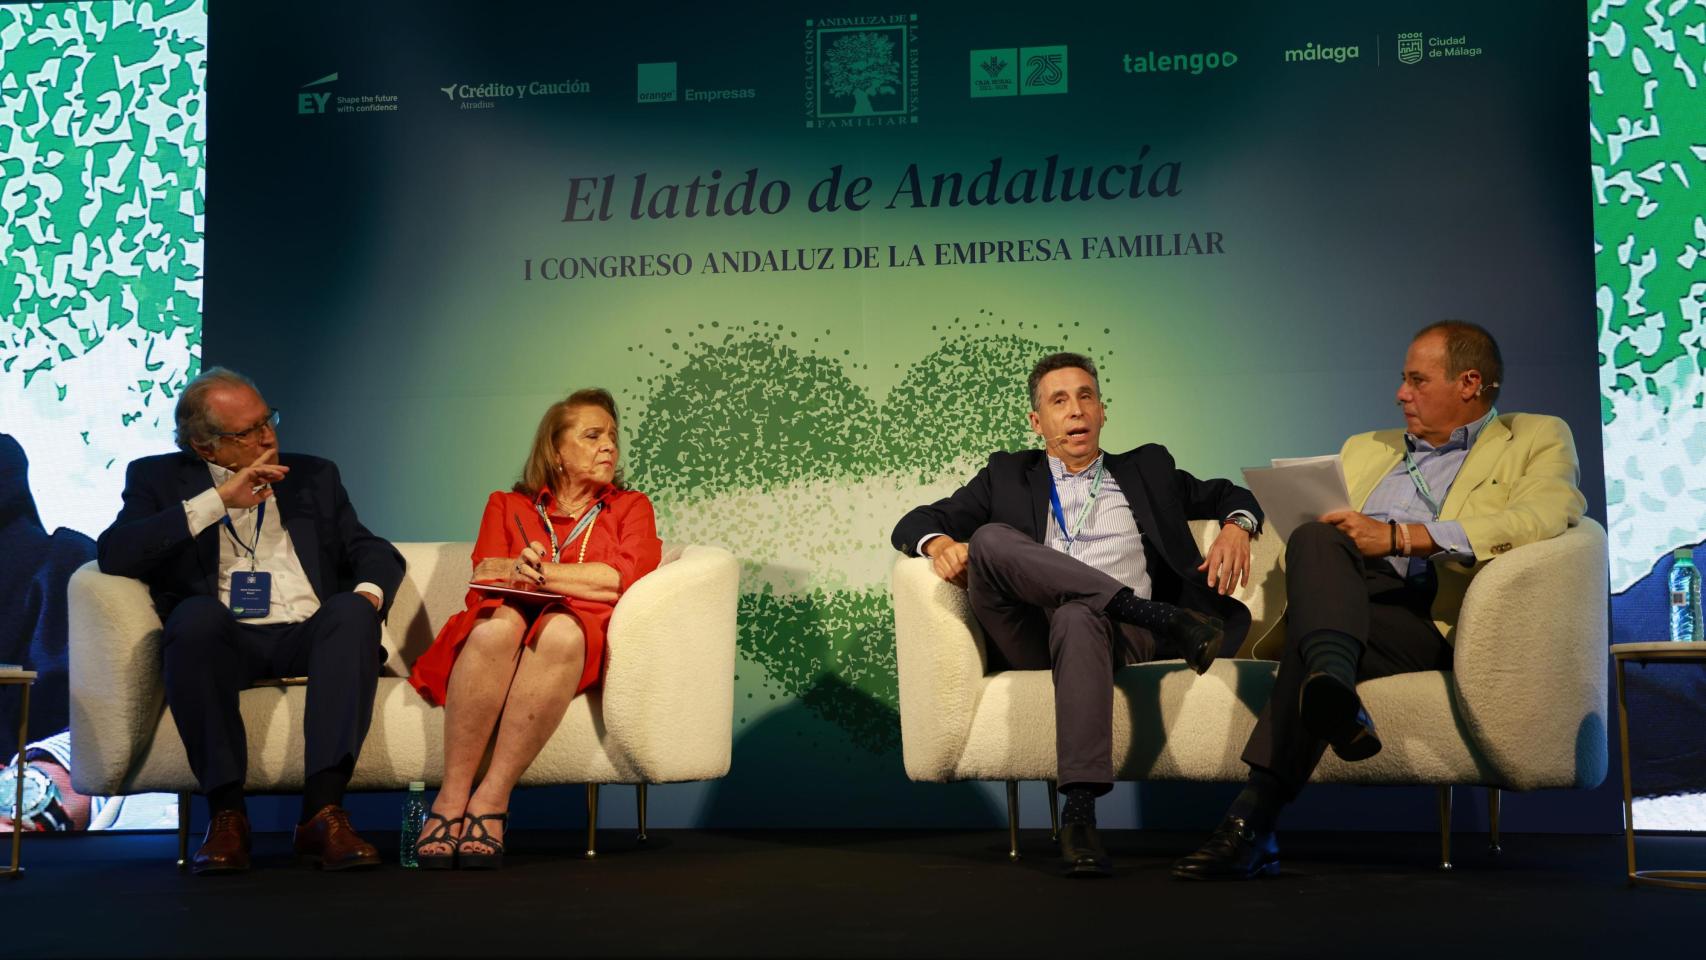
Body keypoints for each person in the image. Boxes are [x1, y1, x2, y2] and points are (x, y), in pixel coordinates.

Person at [1173, 321, 1588, 880]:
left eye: (1417, 381)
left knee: (1314, 645)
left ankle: (1257, 816)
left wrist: (1399, 537)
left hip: (1429, 613)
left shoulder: (1536, 437)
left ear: (1469, 384)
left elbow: (1542, 516)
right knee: (1318, 537)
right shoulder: (1367, 448)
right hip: (1347, 596)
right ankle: (1319, 710)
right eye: (1402, 380)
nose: (1400, 394)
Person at [891, 352, 1263, 877]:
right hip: (1030, 629)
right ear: (1036, 421)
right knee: (993, 538)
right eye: (1059, 401)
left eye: (1085, 396)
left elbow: (1231, 494)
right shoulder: (1005, 475)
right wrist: (938, 544)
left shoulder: (1146, 468)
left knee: (1077, 617)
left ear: (1103, 412)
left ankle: (1081, 814)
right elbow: (915, 521)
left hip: (1121, 634)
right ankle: (1163, 617)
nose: (1075, 411)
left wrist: (1236, 525)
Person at [96, 368, 405, 873]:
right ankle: (227, 816)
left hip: (307, 633)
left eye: (269, 421)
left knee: (351, 612)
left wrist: (369, 595)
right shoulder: (156, 478)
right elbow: (115, 554)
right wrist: (216, 501)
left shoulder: (313, 475)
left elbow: (370, 550)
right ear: (206, 447)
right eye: (249, 431)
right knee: (193, 617)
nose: (268, 436)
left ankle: (323, 814)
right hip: (224, 639)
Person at [407, 389, 662, 869]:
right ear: (556, 449)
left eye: (612, 436)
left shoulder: (630, 507)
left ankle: (491, 802)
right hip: (506, 622)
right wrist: (528, 573)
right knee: (496, 628)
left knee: (562, 630)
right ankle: (450, 799)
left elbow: (620, 577)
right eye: (592, 436)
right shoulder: (507, 504)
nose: (609, 446)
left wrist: (539, 573)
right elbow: (485, 572)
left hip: (576, 631)